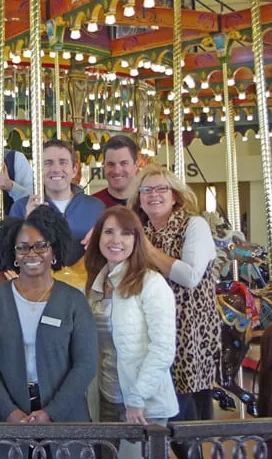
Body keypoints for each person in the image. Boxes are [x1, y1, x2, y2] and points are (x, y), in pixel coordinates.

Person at [0, 206, 97, 424]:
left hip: (65, 419)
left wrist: (52, 412)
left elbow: (85, 364)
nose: (31, 254)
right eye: (22, 247)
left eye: (41, 246)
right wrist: (9, 412)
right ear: (13, 253)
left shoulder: (74, 301)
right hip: (3, 419)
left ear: (54, 250)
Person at [130, 164, 219, 441]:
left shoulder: (194, 225)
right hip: (154, 326)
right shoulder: (141, 229)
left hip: (188, 328)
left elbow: (189, 276)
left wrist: (147, 249)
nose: (153, 195)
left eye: (161, 189)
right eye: (146, 190)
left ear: (175, 196)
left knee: (185, 410)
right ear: (139, 198)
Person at [82, 206, 178, 459]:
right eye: (109, 232)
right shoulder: (95, 284)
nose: (116, 240)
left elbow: (163, 349)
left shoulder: (151, 283)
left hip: (142, 402)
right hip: (105, 397)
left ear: (137, 240)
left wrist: (137, 397)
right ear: (98, 237)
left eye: (125, 233)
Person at [9, 139, 105, 265]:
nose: (56, 169)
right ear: (38, 170)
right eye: (48, 163)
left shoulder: (96, 208)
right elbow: (10, 254)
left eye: (63, 162)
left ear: (74, 169)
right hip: (40, 275)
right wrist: (28, 224)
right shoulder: (21, 208)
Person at [93, 135, 139, 207]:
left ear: (136, 165)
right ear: (103, 166)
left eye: (123, 163)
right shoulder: (91, 205)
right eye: (111, 164)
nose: (117, 171)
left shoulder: (147, 203)